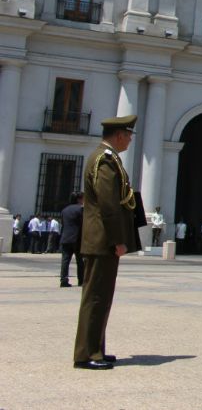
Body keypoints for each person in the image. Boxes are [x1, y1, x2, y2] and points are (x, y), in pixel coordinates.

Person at [73, 114, 139, 370]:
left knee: (100, 296)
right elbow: (109, 205)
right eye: (129, 135)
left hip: (101, 240)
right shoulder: (105, 161)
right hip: (102, 240)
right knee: (96, 297)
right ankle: (87, 353)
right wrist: (117, 240)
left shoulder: (107, 159)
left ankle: (96, 349)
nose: (131, 140)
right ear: (120, 135)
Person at [59, 192, 84, 287]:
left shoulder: (64, 210)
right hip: (77, 238)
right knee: (80, 261)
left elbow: (63, 224)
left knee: (65, 260)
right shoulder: (81, 209)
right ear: (78, 199)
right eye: (83, 198)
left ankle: (63, 280)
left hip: (65, 238)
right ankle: (81, 280)